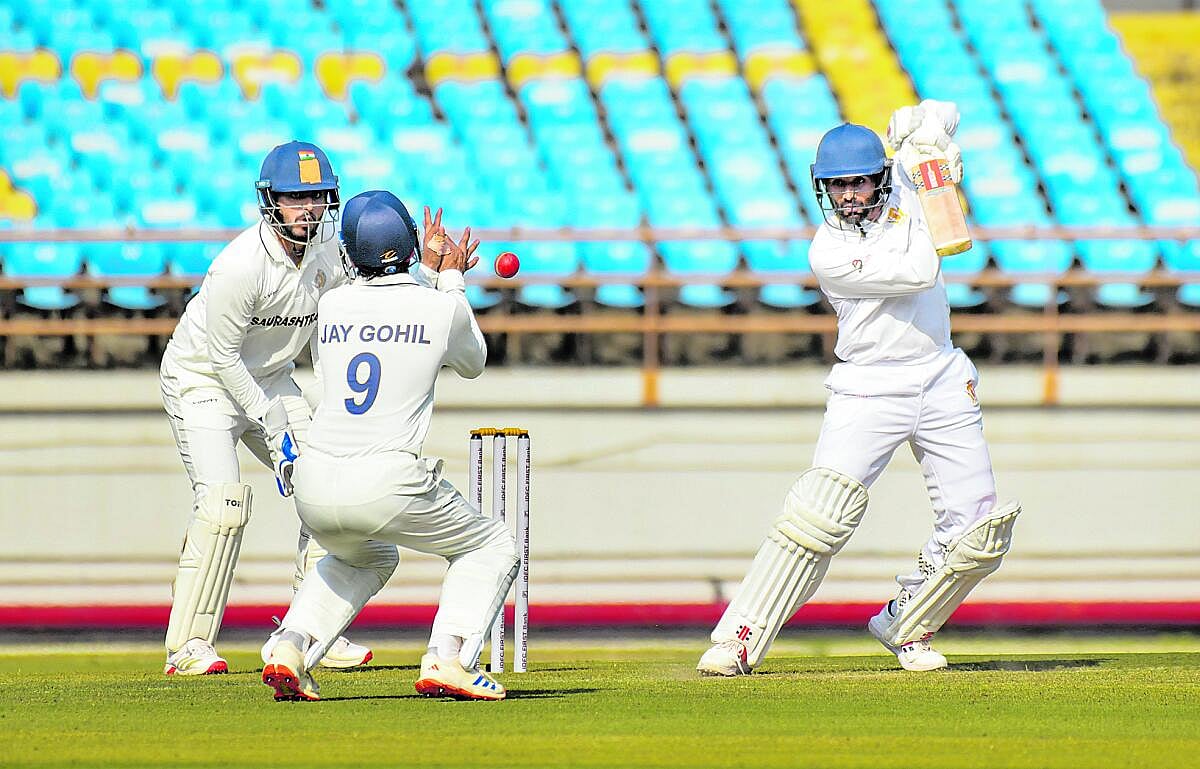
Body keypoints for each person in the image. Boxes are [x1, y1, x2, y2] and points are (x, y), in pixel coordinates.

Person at [697, 102, 1020, 675]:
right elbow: (924, 268)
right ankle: (739, 638)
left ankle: (908, 623)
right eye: (837, 185)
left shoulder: (908, 196)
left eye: (859, 181)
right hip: (869, 386)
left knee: (979, 530)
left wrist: (932, 130)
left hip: (943, 375)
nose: (849, 195)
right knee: (818, 517)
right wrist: (932, 170)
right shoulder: (828, 252)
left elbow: (943, 120)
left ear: (879, 178)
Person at [261, 190, 519, 702]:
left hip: (315, 481)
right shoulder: (440, 306)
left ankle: (292, 643)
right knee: (490, 545)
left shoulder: (330, 305)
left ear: (350, 253)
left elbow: (386, 314)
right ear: (409, 241)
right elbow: (472, 362)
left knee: (367, 557)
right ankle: (449, 658)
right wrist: (449, 276)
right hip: (388, 477)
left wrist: (427, 277)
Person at [159, 140, 371, 675]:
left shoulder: (330, 253)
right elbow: (223, 356)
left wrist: (329, 403)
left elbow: (337, 325)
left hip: (272, 377)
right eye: (295, 198)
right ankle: (189, 645)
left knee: (326, 485)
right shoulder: (239, 266)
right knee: (224, 504)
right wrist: (273, 424)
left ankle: (309, 630)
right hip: (203, 380)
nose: (308, 209)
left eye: (317, 197)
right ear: (269, 200)